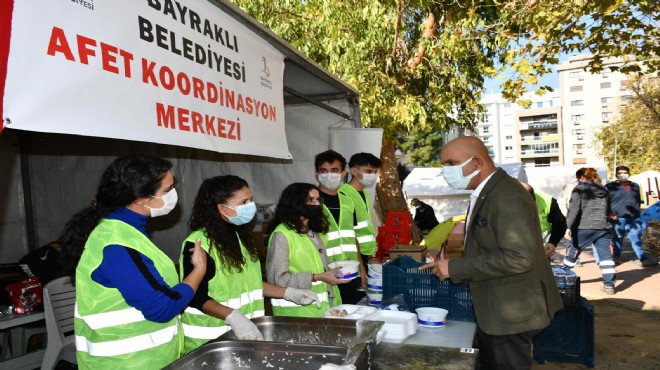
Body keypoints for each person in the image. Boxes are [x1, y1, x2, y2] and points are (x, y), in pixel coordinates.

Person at [419, 136, 562, 370]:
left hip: (512, 312)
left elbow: (518, 257)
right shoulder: (487, 191)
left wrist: (455, 268)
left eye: (450, 163)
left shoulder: (507, 196)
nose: (446, 171)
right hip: (498, 308)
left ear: (476, 163)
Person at [59, 154, 207, 369]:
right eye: (167, 190)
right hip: (127, 363)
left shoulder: (127, 232)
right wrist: (199, 270)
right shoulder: (118, 243)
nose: (173, 195)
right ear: (140, 197)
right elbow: (163, 308)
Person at [179, 175, 320, 354]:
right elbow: (195, 296)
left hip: (245, 336)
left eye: (251, 200)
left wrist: (288, 292)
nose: (250, 206)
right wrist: (232, 316)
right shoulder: (199, 243)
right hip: (211, 341)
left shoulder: (240, 237)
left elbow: (249, 284)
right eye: (243, 202)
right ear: (222, 208)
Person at [266, 183, 346, 317]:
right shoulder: (282, 235)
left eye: (318, 200)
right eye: (310, 200)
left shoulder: (315, 231)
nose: (316, 204)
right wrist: (316, 277)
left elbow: (319, 265)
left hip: (326, 303)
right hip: (299, 312)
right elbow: (278, 279)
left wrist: (339, 267)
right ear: (294, 203)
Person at [313, 150, 362, 303]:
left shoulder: (347, 201)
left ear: (343, 173)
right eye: (324, 171)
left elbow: (353, 236)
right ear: (317, 174)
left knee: (352, 311)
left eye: (334, 171)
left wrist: (362, 269)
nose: (329, 175)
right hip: (325, 272)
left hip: (350, 270)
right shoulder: (311, 202)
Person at [562, 168, 617, 294]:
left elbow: (574, 210)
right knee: (606, 257)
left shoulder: (579, 189)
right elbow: (608, 209)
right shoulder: (604, 189)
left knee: (572, 253)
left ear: (581, 177)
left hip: (583, 227)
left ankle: (563, 279)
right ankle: (609, 286)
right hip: (604, 227)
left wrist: (568, 227)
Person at [342, 152, 382, 288]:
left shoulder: (364, 194)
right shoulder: (344, 194)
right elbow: (350, 232)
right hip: (352, 257)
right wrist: (361, 267)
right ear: (354, 171)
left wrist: (371, 256)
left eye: (375, 172)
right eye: (369, 171)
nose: (372, 175)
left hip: (365, 254)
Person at [606, 165, 657, 267]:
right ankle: (616, 257)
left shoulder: (635, 186)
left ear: (629, 174)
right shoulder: (610, 187)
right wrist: (609, 214)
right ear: (616, 174)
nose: (623, 175)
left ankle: (643, 259)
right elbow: (605, 202)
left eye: (625, 172)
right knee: (617, 238)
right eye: (620, 173)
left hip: (633, 218)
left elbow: (637, 200)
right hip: (617, 217)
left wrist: (638, 213)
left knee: (635, 238)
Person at [520, 183, 567, 257]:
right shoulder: (500, 202)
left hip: (540, 249)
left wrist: (552, 242)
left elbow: (560, 224)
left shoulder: (547, 201)